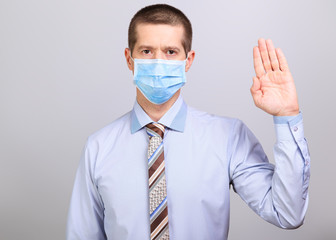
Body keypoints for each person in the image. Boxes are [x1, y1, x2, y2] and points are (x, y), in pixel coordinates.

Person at [66, 4, 310, 240]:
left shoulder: (228, 137)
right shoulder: (98, 148)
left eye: (170, 52)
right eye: (146, 51)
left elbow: (288, 214)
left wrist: (287, 115)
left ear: (188, 60)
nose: (158, 62)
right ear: (129, 59)